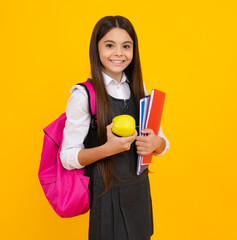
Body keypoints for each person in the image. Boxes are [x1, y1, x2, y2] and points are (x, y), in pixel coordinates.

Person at [60, 15, 169, 240]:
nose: (118, 53)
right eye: (110, 45)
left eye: (126, 46)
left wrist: (156, 143)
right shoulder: (83, 95)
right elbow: (67, 157)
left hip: (138, 194)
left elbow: (161, 141)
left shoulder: (140, 89)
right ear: (96, 48)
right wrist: (107, 149)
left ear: (133, 51)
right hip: (106, 196)